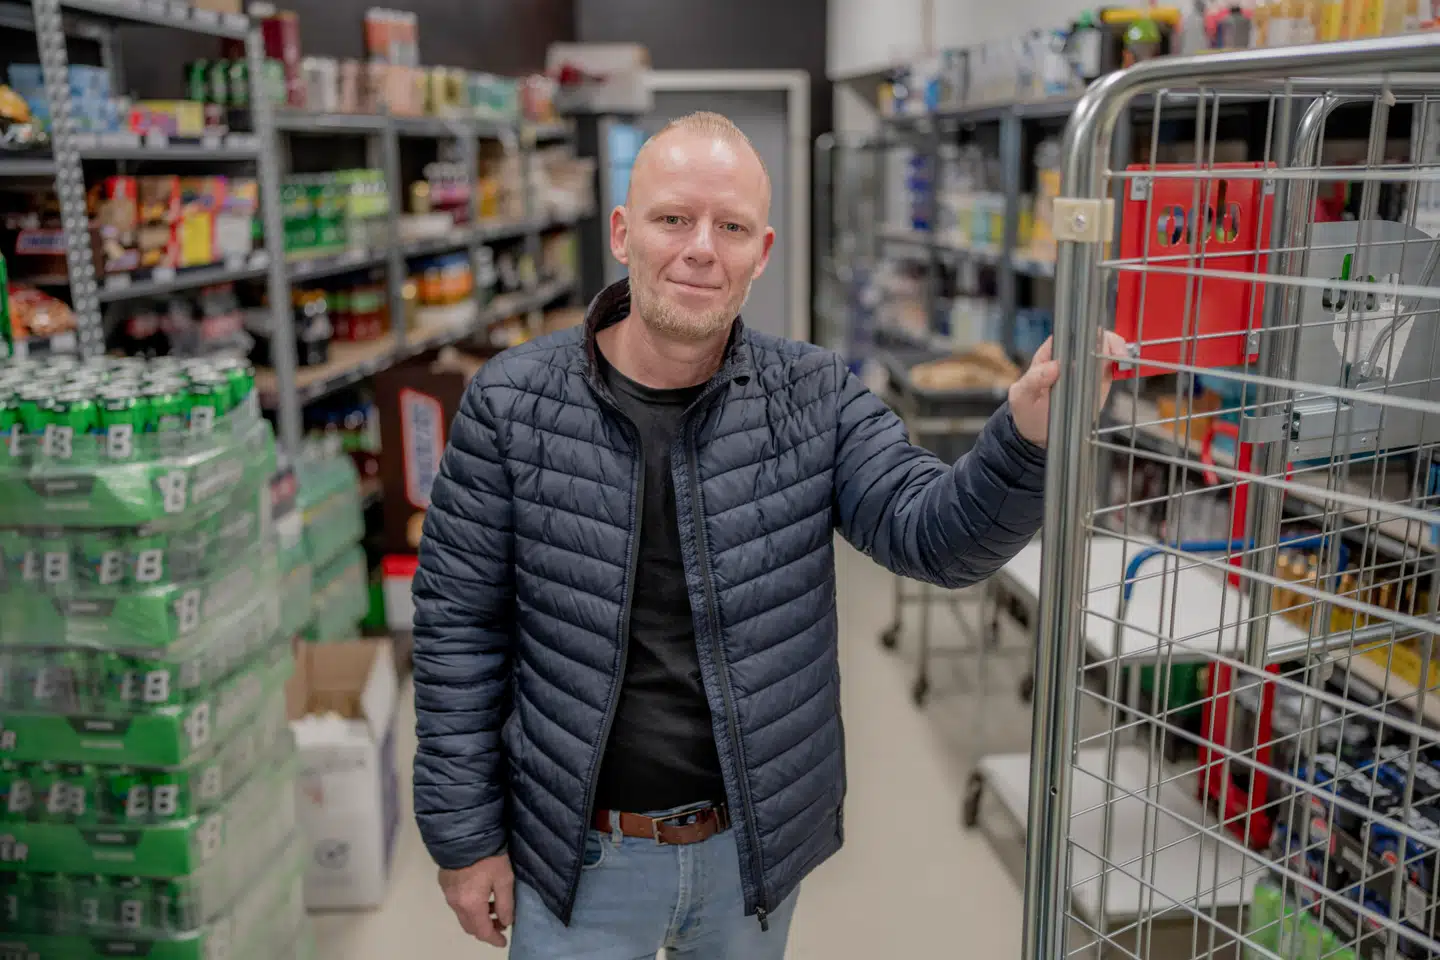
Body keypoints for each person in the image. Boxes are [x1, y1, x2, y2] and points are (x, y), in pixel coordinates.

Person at [411, 110, 1123, 959]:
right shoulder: (511, 403)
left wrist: (1026, 437)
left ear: (763, 251)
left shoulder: (814, 394)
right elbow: (457, 629)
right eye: (674, 218)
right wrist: (465, 840)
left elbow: (935, 537)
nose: (700, 249)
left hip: (747, 858)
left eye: (732, 227)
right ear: (623, 232)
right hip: (575, 856)